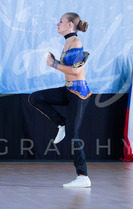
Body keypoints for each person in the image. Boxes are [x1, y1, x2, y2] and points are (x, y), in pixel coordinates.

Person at [28, 13, 92, 188]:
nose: (58, 24)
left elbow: (76, 71)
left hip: (79, 93)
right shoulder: (68, 42)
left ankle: (83, 176)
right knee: (35, 98)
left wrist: (53, 64)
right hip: (69, 90)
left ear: (70, 25)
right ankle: (61, 123)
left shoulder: (76, 43)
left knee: (73, 135)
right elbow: (70, 68)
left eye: (61, 21)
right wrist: (56, 61)